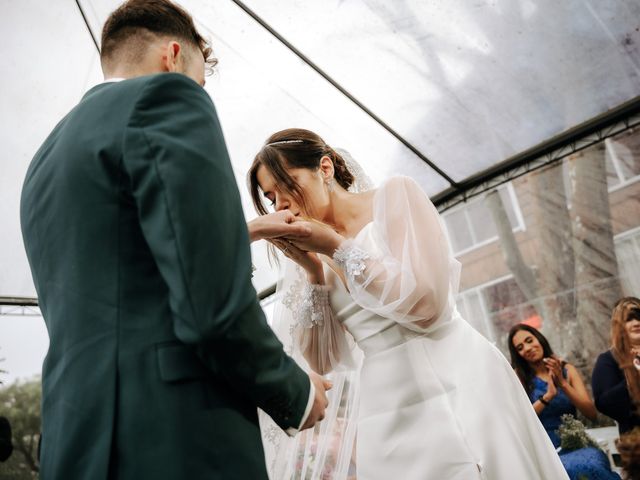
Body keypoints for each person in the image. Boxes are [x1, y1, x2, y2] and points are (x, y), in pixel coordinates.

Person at [19, 2, 330, 479]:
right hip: (176, 433)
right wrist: (294, 389)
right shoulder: (164, 98)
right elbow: (210, 297)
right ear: (171, 56)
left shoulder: (40, 165)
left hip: (75, 440)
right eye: (200, 80)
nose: (199, 93)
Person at [247, 128, 568, 479]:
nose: (280, 205)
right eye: (270, 196)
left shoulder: (395, 198)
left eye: (287, 185)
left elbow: (428, 308)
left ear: (325, 169)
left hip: (459, 376)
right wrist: (312, 272)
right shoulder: (311, 256)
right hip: (388, 405)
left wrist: (337, 248)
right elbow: (323, 360)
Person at [508, 323, 621, 479]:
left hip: (576, 441)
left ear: (539, 339)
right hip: (546, 448)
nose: (527, 348)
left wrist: (563, 384)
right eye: (520, 348)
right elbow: (521, 420)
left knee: (592, 464)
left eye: (529, 340)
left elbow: (591, 414)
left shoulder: (567, 369)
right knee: (568, 469)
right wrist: (547, 397)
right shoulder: (519, 377)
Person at [593, 297, 640, 435]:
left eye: (639, 316)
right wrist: (633, 376)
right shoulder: (608, 360)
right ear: (618, 326)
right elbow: (605, 404)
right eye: (629, 318)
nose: (636, 322)